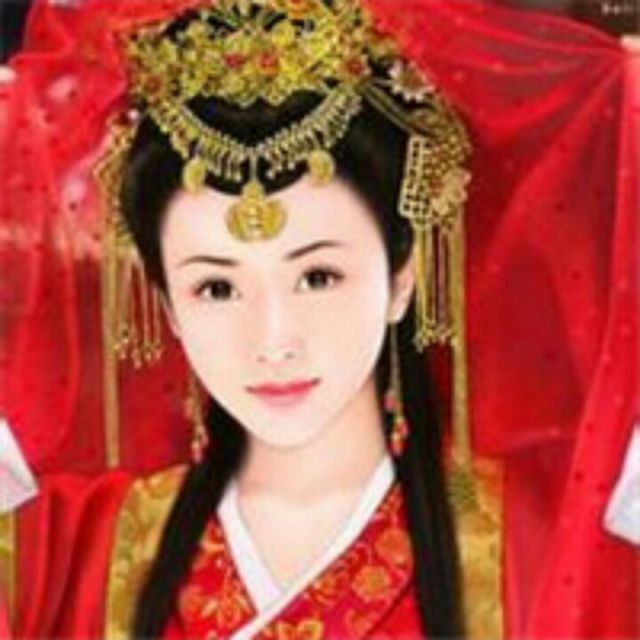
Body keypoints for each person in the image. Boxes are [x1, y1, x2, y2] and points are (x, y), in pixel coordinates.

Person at [0, 1, 637, 638]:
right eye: (216, 287)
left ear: (402, 277)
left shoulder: (542, 545)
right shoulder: (62, 551)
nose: (273, 340)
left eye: (319, 276)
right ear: (168, 306)